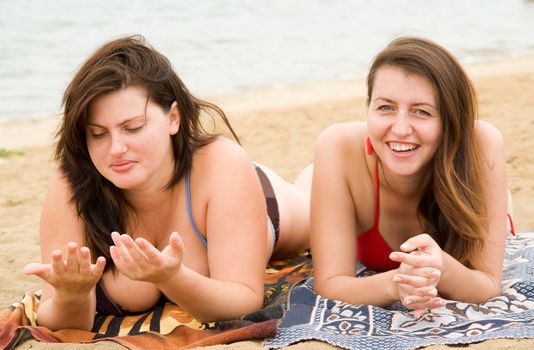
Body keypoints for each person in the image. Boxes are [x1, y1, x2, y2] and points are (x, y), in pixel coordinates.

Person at [23, 35, 310, 331]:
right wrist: (73, 296)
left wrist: (171, 278)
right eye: (98, 133)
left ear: (173, 118)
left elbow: (244, 299)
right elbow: (58, 321)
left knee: (314, 203)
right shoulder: (72, 184)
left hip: (249, 194)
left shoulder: (221, 162)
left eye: (132, 128)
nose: (116, 148)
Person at [310, 36, 512, 317]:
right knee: (300, 197)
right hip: (337, 178)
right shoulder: (337, 145)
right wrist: (397, 284)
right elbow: (330, 284)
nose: (401, 128)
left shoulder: (481, 144)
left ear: (450, 120)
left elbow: (488, 285)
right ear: (368, 108)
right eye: (385, 107)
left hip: (472, 185)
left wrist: (442, 267)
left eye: (422, 111)